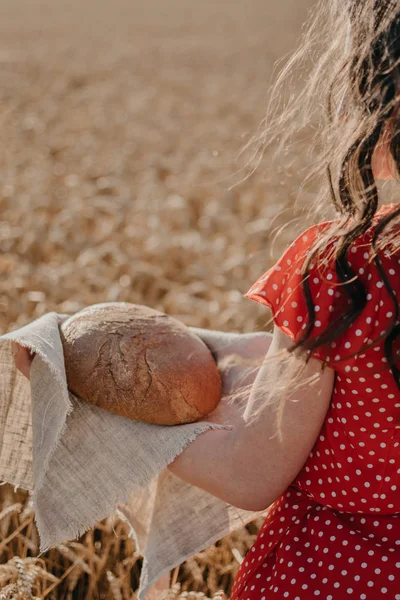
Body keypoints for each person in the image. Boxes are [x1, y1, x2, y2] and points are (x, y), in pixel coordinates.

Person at [14, 1, 400, 598]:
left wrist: (110, 421)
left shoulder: (347, 271)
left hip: (331, 575)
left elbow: (251, 475)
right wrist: (201, 345)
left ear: (370, 105)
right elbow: (343, 379)